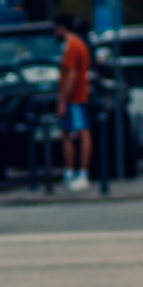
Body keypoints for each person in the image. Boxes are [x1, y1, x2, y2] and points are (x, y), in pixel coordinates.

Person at [53, 13, 93, 191]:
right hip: (75, 98)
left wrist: (63, 99)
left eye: (55, 28)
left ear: (61, 28)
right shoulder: (76, 43)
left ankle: (82, 174)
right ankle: (71, 172)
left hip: (75, 98)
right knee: (67, 134)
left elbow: (72, 75)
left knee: (81, 133)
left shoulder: (71, 45)